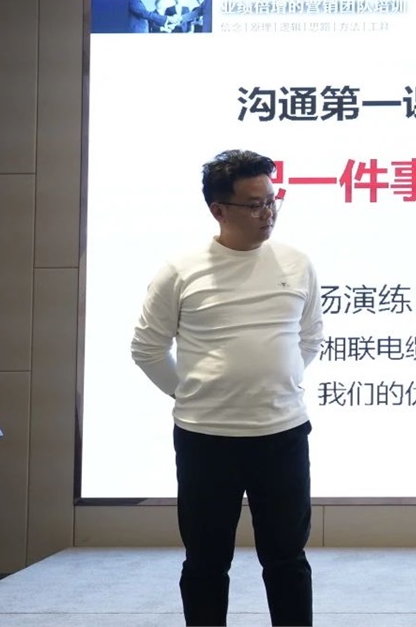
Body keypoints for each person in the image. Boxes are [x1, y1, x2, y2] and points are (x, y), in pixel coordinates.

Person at [131, 149, 323, 627]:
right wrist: (192, 393)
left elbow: (310, 337)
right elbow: (147, 349)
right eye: (255, 204)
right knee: (206, 560)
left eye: (273, 201)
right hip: (206, 438)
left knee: (287, 558)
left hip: (282, 433)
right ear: (219, 210)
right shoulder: (181, 270)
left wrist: (277, 381)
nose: (268, 212)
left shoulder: (297, 263)